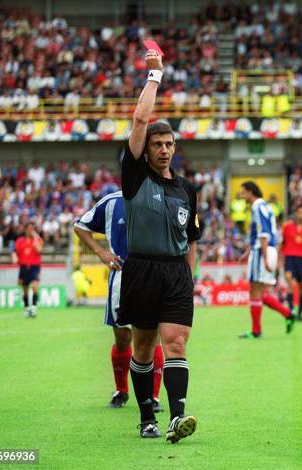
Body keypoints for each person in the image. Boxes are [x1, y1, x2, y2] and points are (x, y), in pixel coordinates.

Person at [119, 49, 201, 442]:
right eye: (157, 144)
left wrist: (191, 277)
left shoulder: (187, 190)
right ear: (146, 149)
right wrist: (155, 76)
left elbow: (193, 240)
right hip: (141, 269)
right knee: (143, 348)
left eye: (169, 143)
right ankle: (146, 415)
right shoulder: (135, 177)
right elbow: (139, 119)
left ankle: (177, 417)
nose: (164, 149)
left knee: (177, 343)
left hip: (175, 274)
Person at [73, 191, 165, 412]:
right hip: (122, 276)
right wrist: (100, 251)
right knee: (123, 338)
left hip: (154, 274)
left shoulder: (161, 197)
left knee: (152, 339)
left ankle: (153, 397)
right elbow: (80, 225)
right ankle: (121, 390)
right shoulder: (112, 201)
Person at [238, 181, 295, 338]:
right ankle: (287, 313)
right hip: (263, 249)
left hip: (262, 250)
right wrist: (249, 251)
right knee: (259, 292)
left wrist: (263, 257)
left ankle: (256, 331)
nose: (241, 196)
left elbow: (263, 232)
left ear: (250, 192)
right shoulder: (265, 206)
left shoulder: (257, 205)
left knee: (255, 291)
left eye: (243, 192)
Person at [280, 205, 302, 321]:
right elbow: (282, 244)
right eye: (299, 212)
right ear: (295, 213)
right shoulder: (287, 226)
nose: (301, 214)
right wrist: (280, 261)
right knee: (290, 282)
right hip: (289, 258)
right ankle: (290, 311)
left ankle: (299, 313)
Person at [12, 222, 43, 318]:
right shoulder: (20, 241)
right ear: (26, 230)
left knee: (34, 286)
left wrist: (35, 238)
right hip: (24, 267)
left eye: (32, 229)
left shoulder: (37, 240)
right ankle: (27, 309)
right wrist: (14, 258)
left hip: (34, 266)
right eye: (29, 228)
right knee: (25, 290)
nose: (31, 230)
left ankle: (33, 308)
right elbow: (14, 252)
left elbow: (39, 250)